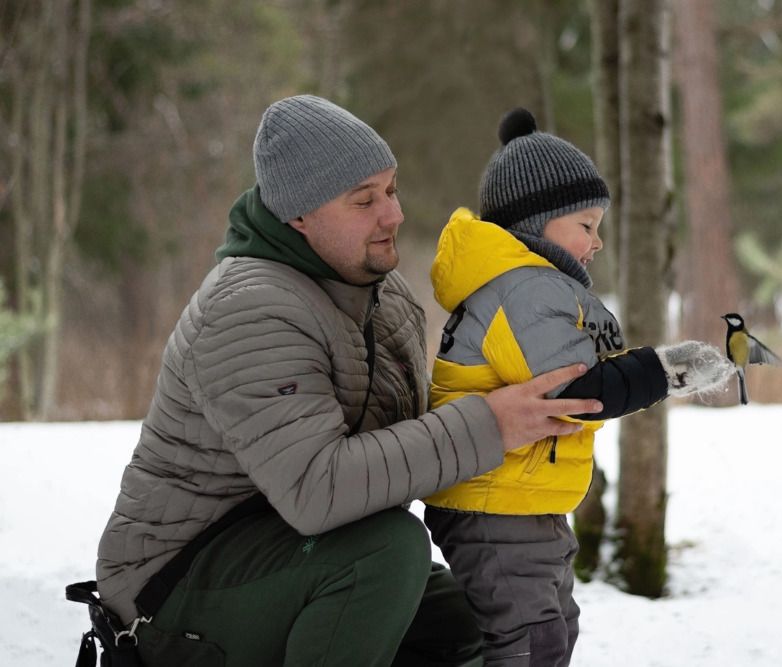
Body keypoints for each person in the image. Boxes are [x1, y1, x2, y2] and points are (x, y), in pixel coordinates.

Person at [94, 94, 607, 666]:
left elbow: (406, 449)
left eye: (390, 190)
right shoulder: (250, 310)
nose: (393, 215)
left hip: (290, 549)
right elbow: (318, 489)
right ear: (298, 216)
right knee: (386, 555)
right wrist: (490, 424)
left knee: (463, 620)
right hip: (173, 587)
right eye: (363, 201)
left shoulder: (382, 298)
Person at [421, 108, 733, 666]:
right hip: (496, 507)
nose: (599, 242)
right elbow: (577, 392)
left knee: (551, 633)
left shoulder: (536, 289)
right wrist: (663, 370)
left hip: (520, 501)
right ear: (534, 223)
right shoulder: (524, 290)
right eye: (586, 225)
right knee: (529, 644)